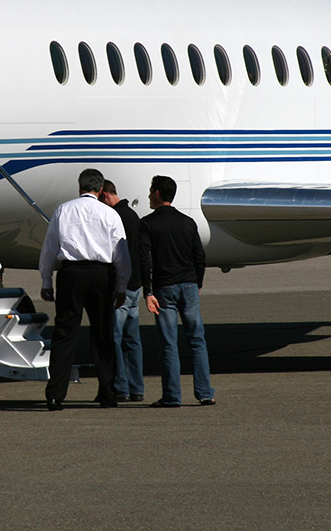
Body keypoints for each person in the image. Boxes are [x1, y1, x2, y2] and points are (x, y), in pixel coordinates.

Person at [39, 168, 131, 410]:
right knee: (103, 334)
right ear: (100, 190)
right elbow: (121, 255)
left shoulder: (63, 210)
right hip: (102, 275)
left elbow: (49, 249)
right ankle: (108, 394)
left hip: (71, 274)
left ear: (79, 187)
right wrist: (121, 286)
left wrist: (46, 281)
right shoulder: (109, 214)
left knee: (65, 334)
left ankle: (55, 395)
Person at [140, 175, 215, 407]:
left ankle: (172, 395)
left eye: (151, 191)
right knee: (197, 339)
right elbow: (199, 257)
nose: (149, 196)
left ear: (158, 194)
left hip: (165, 288)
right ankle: (204, 392)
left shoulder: (147, 224)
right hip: (189, 285)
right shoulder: (187, 222)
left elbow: (144, 260)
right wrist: (197, 282)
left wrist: (147, 291)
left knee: (168, 343)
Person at [100, 179, 144, 402]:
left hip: (122, 286)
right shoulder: (133, 215)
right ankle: (137, 387)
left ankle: (121, 387)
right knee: (133, 340)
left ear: (106, 196)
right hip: (136, 285)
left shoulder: (115, 217)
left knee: (114, 338)